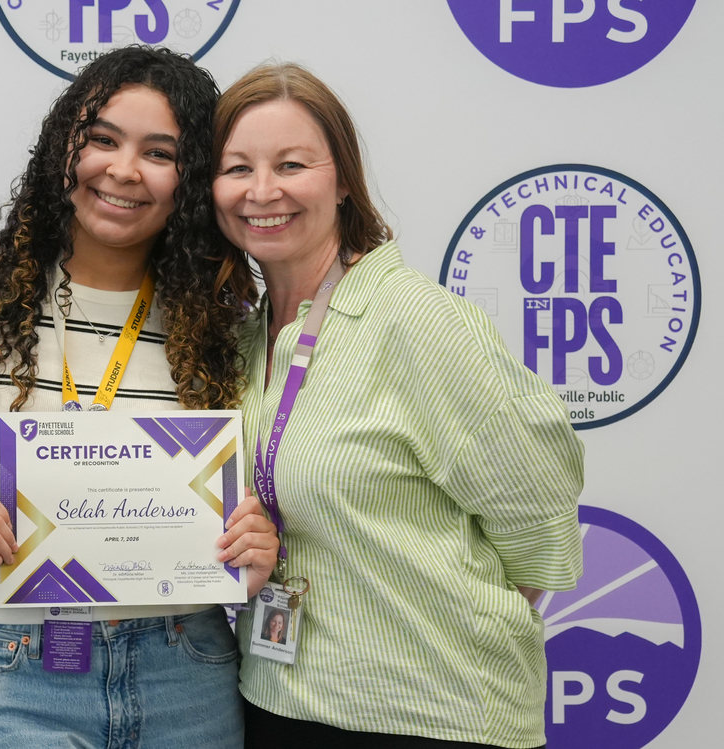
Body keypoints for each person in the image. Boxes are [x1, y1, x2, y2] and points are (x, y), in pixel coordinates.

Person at [0, 46, 277, 749]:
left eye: (159, 152)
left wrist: (247, 543)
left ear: (188, 180)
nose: (123, 169)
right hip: (16, 670)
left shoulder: (224, 322)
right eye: (101, 138)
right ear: (62, 146)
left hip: (186, 666)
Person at [212, 63, 584, 749]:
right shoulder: (240, 342)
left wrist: (442, 616)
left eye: (291, 164)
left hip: (432, 711)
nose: (262, 191)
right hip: (276, 699)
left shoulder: (419, 321)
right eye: (238, 168)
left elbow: (539, 520)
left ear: (343, 179)